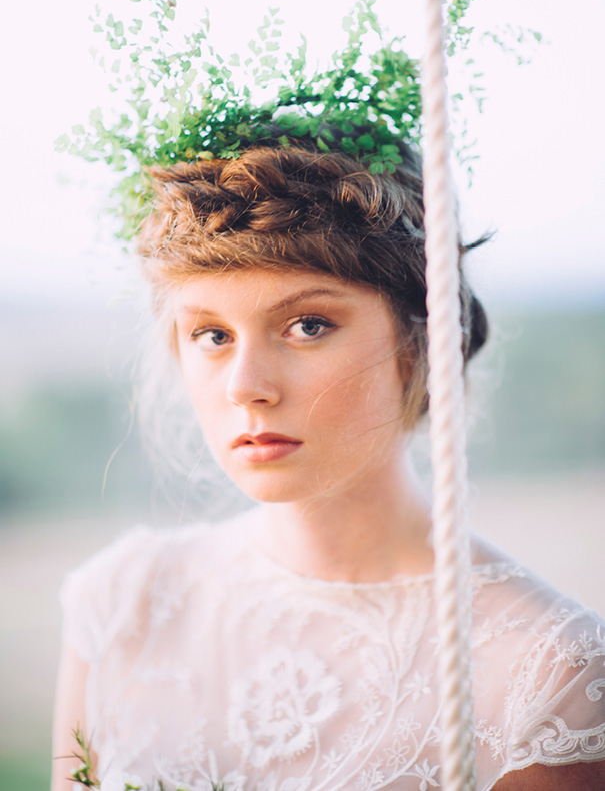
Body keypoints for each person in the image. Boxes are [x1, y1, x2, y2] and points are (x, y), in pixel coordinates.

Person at [52, 137, 605, 791]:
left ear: (416, 342)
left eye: (307, 325)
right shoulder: (124, 603)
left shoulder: (545, 676)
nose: (245, 386)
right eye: (213, 335)